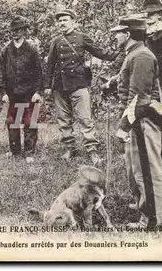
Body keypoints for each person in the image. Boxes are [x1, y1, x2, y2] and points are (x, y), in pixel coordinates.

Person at [110, 17, 162, 228]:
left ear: (129, 35)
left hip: (142, 121)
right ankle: (144, 206)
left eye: (119, 32)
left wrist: (123, 127)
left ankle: (154, 221)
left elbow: (139, 98)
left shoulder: (141, 56)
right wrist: (113, 81)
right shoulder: (134, 54)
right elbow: (130, 79)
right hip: (137, 120)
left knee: (148, 172)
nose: (115, 35)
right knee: (136, 170)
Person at [44, 9, 119, 164]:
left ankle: (92, 150)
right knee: (64, 119)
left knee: (85, 119)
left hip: (78, 83)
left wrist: (119, 55)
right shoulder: (55, 41)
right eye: (60, 21)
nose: (62, 23)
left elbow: (100, 52)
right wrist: (47, 85)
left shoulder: (81, 38)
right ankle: (69, 148)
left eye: (65, 20)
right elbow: (50, 65)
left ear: (73, 22)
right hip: (59, 85)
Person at [0, 15, 44, 163]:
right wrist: (4, 92)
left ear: (24, 31)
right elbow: (1, 73)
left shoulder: (31, 50)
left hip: (28, 93)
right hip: (12, 94)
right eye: (13, 30)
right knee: (12, 122)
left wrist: (38, 92)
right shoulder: (6, 50)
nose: (15, 33)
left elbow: (38, 72)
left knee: (30, 121)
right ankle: (15, 151)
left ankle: (30, 152)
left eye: (18, 30)